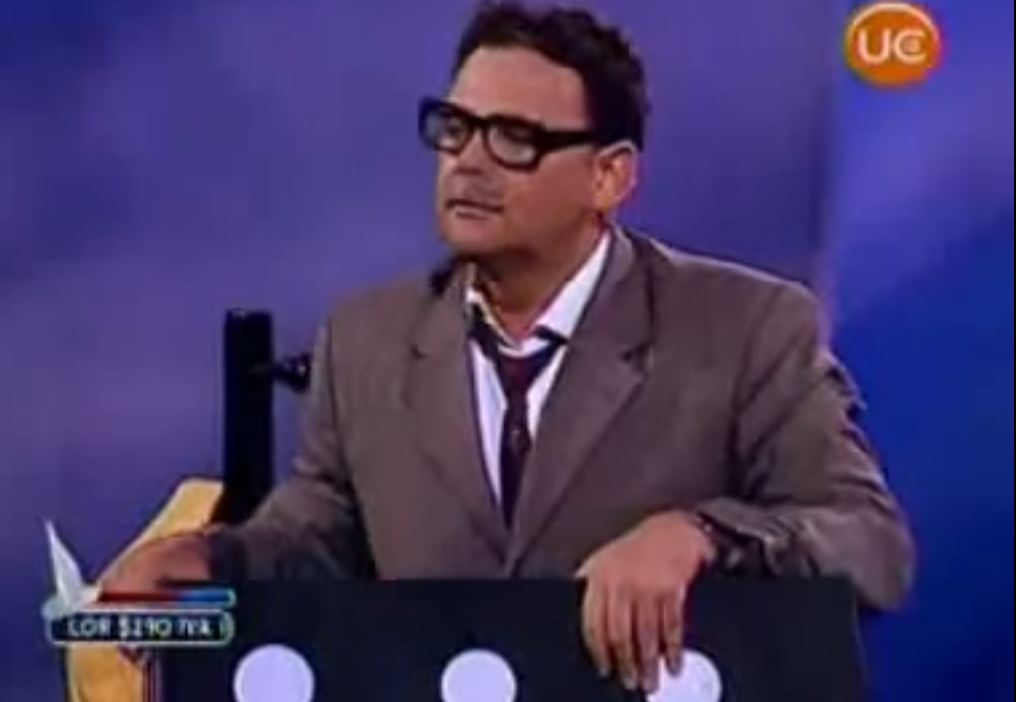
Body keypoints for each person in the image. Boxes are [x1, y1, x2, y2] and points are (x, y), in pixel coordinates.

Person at [104, 1, 915, 693]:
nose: (469, 162)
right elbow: (316, 540)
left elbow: (869, 547)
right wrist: (211, 563)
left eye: (514, 137)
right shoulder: (366, 340)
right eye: (456, 128)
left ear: (610, 176)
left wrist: (697, 536)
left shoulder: (747, 328)